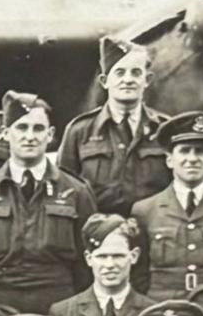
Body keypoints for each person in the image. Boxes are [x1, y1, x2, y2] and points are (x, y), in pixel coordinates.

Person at [0, 94, 88, 316]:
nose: (30, 137)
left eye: (38, 129)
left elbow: (86, 260)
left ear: (50, 135)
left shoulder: (76, 191)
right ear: (5, 133)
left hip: (57, 299)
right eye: (21, 128)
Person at [132, 113, 203, 299]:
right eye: (185, 150)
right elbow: (139, 274)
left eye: (200, 151)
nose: (192, 158)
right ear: (169, 159)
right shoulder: (145, 210)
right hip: (162, 306)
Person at [58, 36, 170, 216]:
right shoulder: (79, 131)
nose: (128, 80)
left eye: (136, 73)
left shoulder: (165, 129)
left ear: (147, 80)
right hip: (98, 232)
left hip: (154, 228)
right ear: (104, 81)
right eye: (119, 73)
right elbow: (63, 191)